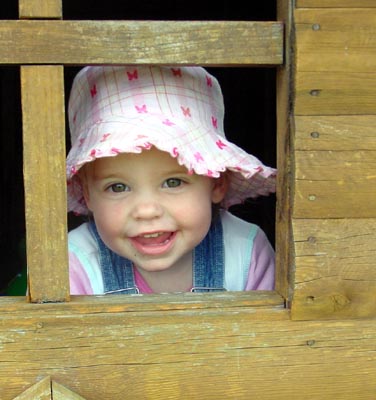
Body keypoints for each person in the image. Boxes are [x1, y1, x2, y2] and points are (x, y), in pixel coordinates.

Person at [66, 65, 277, 295]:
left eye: (173, 182)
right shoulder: (74, 263)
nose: (147, 211)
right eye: (118, 187)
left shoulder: (245, 253)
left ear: (216, 182)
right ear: (88, 194)